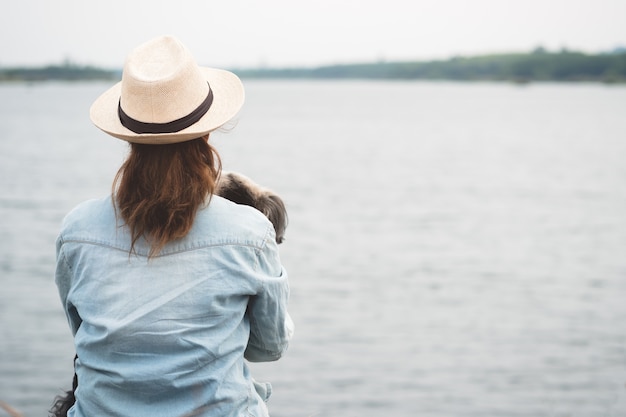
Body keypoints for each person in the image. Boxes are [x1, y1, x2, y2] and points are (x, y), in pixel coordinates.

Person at [54, 35, 294, 417]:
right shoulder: (251, 232)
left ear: (128, 139)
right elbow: (271, 346)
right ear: (206, 135)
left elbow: (88, 337)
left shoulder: (76, 231)